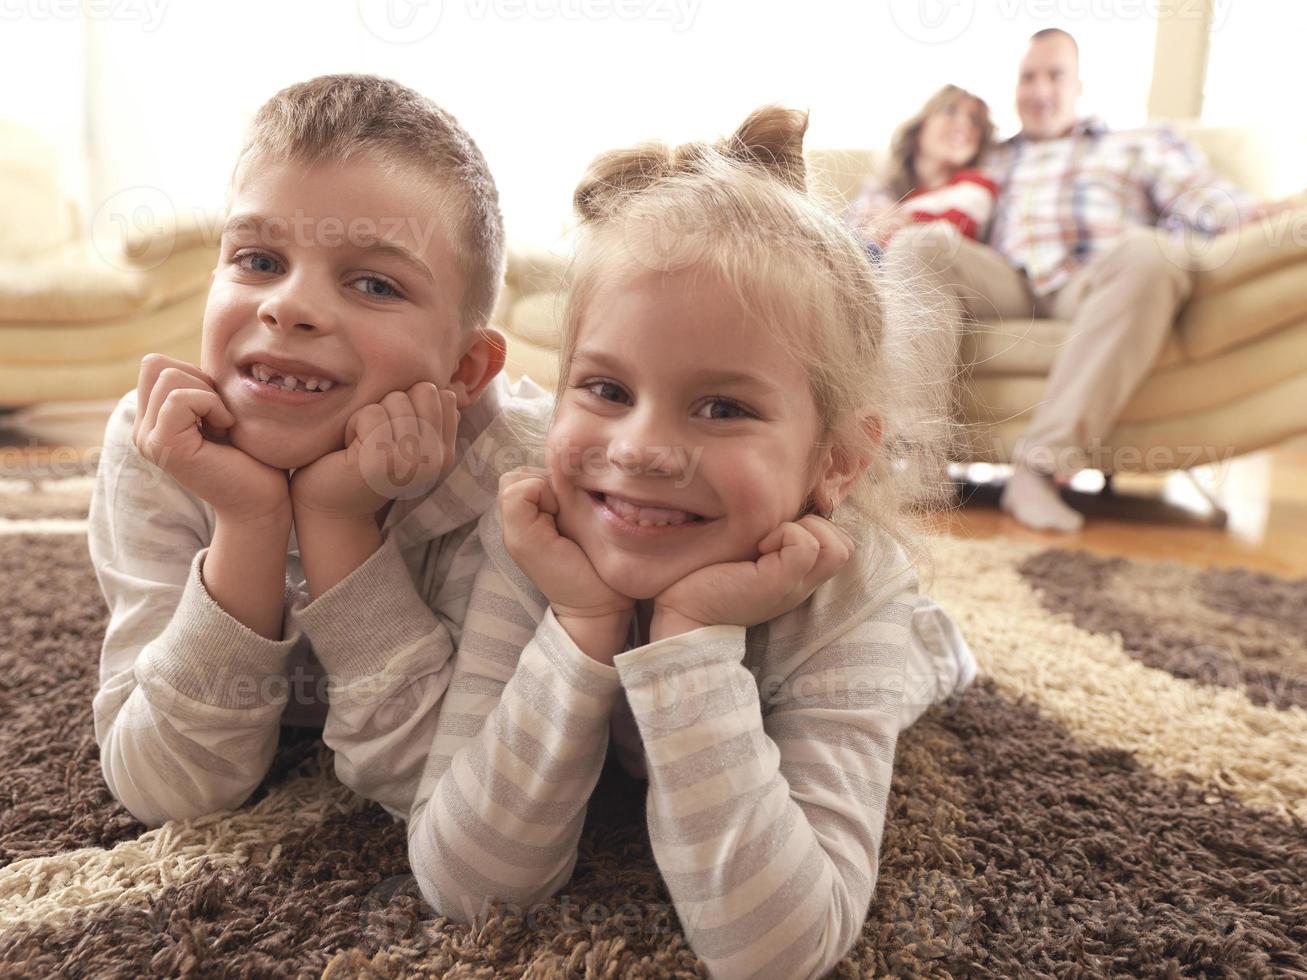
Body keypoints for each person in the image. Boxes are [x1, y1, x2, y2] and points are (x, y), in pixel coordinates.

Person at [394, 107, 977, 980]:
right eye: (603, 388)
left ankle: (945, 648)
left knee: (922, 668)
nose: (637, 450)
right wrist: (584, 621)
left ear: (838, 460)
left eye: (722, 408)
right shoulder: (536, 541)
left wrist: (691, 640)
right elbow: (466, 883)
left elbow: (782, 948)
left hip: (898, 648)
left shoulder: (852, 598)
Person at [86, 74, 552, 827]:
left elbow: (443, 795)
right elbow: (163, 788)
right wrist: (249, 521)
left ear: (464, 371)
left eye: (372, 283)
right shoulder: (159, 446)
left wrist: (337, 524)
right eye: (259, 261)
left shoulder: (518, 485)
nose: (289, 306)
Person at [886, 28, 1289, 532]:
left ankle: (1039, 470)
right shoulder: (992, 157)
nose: (1040, 90)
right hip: (1008, 282)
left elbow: (1202, 196)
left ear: (1079, 86)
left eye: (1055, 75)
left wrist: (1266, 215)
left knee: (1151, 250)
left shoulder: (1137, 144)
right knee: (922, 244)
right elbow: (917, 191)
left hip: (1095, 283)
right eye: (1028, 77)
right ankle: (912, 468)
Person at [846, 84, 998, 253]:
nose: (965, 124)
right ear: (920, 126)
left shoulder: (978, 184)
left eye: (975, 120)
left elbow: (956, 235)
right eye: (949, 111)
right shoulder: (884, 189)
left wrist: (905, 223)